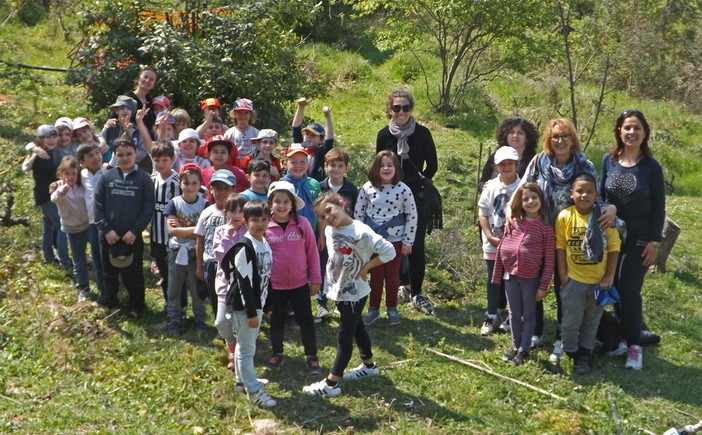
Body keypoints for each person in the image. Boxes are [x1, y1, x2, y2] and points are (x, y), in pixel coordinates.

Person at [517, 118, 616, 359]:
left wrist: (610, 209)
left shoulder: (584, 164)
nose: (560, 141)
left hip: (572, 236)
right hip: (539, 233)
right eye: (555, 136)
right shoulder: (539, 161)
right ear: (548, 140)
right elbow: (523, 191)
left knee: (565, 286)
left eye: (565, 136)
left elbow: (596, 197)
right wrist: (513, 216)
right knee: (534, 282)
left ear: (573, 139)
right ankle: (536, 331)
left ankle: (563, 336)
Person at [303, 192, 395, 398]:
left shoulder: (361, 231)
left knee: (344, 335)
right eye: (322, 216)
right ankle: (369, 366)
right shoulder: (329, 230)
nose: (327, 218)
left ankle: (331, 384)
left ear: (341, 204)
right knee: (357, 328)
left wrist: (366, 268)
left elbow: (389, 251)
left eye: (329, 211)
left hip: (354, 293)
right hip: (339, 290)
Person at [601, 109, 665, 371]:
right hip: (611, 237)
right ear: (619, 130)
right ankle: (625, 336)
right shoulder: (609, 160)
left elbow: (659, 207)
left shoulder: (651, 167)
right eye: (627, 127)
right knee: (613, 287)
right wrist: (610, 207)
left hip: (639, 240)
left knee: (628, 291)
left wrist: (655, 243)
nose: (631, 132)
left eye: (637, 128)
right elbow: (601, 195)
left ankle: (635, 347)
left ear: (644, 133)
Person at [376, 89, 437, 315]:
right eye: (397, 108)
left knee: (416, 243)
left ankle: (417, 291)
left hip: (415, 195)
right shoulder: (384, 135)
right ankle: (402, 284)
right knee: (396, 242)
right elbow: (380, 164)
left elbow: (432, 165)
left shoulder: (422, 133)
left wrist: (419, 184)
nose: (401, 112)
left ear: (411, 109)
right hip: (391, 197)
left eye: (406, 108)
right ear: (390, 110)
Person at [555, 173, 620, 374]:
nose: (584, 195)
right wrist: (563, 276)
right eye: (580, 191)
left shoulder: (603, 217)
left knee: (592, 322)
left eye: (589, 191)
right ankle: (571, 352)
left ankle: (584, 355)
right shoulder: (565, 216)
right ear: (571, 193)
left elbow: (614, 247)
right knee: (570, 323)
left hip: (598, 283)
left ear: (596, 194)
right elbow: (560, 247)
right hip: (573, 281)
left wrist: (609, 276)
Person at [220, 200, 276, 408]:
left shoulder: (264, 243)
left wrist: (267, 303)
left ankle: (240, 382)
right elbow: (244, 283)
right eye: (254, 220)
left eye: (263, 219)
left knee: (246, 347)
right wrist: (251, 312)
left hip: (257, 305)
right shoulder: (245, 247)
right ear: (244, 222)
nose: (259, 224)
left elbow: (266, 276)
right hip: (244, 307)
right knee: (245, 349)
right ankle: (254, 392)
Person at [493, 183, 555, 366]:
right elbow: (505, 243)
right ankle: (515, 345)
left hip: (531, 279)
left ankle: (524, 349)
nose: (530, 202)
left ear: (541, 200)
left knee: (528, 314)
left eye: (534, 198)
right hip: (511, 276)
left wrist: (544, 285)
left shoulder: (545, 228)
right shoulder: (514, 222)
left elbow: (550, 260)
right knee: (513, 313)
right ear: (520, 202)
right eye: (526, 199)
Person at [264, 181, 322, 374]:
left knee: (305, 320)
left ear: (292, 204)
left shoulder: (302, 224)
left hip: (299, 284)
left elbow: (312, 252)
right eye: (277, 201)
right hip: (275, 285)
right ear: (270, 203)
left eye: (285, 201)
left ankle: (312, 356)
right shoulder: (264, 225)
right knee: (277, 320)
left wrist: (315, 279)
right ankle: (277, 352)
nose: (281, 206)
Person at [94, 135, 154, 317]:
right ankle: (112, 304)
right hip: (108, 235)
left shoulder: (144, 179)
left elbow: (147, 207)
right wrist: (106, 230)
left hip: (132, 236)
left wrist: (135, 231)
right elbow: (97, 205)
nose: (125, 158)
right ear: (115, 155)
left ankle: (137, 307)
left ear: (136, 153)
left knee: (133, 274)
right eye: (120, 155)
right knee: (109, 272)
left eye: (129, 154)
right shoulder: (106, 177)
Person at [355, 150, 417, 326]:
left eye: (390, 165)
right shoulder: (367, 188)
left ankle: (392, 308)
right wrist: (360, 238)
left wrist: (408, 241)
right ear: (376, 168)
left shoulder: (404, 190)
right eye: (382, 165)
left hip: (395, 241)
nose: (386, 168)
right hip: (373, 241)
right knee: (375, 274)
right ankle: (373, 309)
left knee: (392, 275)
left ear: (396, 168)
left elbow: (412, 215)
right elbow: (358, 213)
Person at [477, 146, 521, 335]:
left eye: (510, 163)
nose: (506, 167)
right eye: (502, 164)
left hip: (516, 244)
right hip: (493, 240)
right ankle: (492, 314)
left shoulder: (522, 186)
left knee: (513, 278)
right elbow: (483, 213)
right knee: (493, 278)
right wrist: (488, 235)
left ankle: (514, 317)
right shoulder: (491, 186)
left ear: (516, 165)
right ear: (496, 166)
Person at [164, 163, 209, 335]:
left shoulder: (205, 205)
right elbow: (172, 231)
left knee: (196, 288)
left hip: (196, 252)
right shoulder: (174, 203)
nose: (190, 187)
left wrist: (185, 231)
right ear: (180, 184)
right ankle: (174, 319)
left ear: (200, 185)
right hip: (176, 251)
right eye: (186, 183)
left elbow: (203, 234)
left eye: (194, 183)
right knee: (174, 288)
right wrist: (196, 230)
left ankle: (200, 320)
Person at [316, 148, 359, 319]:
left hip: (345, 235)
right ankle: (321, 302)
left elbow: (355, 215)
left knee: (342, 266)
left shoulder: (352, 189)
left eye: (340, 166)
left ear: (346, 168)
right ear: (326, 166)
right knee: (323, 265)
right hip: (325, 233)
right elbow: (319, 215)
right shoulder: (320, 187)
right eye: (332, 165)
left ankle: (339, 301)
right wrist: (320, 236)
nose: (336, 169)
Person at [25, 125, 71, 267]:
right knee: (62, 225)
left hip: (44, 195)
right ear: (40, 139)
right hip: (45, 196)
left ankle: (48, 257)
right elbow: (54, 173)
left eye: (53, 137)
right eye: (47, 137)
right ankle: (64, 259)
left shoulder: (51, 153)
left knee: (48, 225)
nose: (51, 140)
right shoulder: (41, 155)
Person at [212, 193, 249, 371]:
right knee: (221, 322)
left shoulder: (250, 231)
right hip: (225, 284)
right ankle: (231, 342)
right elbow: (220, 256)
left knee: (242, 320)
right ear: (226, 212)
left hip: (245, 285)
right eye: (233, 211)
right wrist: (228, 235)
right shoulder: (220, 232)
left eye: (241, 211)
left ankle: (241, 350)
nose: (237, 216)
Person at [195, 169, 237, 316]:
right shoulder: (207, 212)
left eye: (226, 188)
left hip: (230, 263)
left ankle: (233, 325)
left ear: (234, 190)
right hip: (210, 262)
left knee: (231, 297)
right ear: (211, 190)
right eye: (218, 188)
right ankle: (221, 326)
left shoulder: (237, 214)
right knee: (214, 296)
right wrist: (199, 266)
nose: (222, 192)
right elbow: (200, 241)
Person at [51, 156, 91, 302]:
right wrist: (62, 190)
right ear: (61, 174)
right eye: (67, 173)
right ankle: (83, 288)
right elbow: (54, 198)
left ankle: (106, 284)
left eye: (73, 173)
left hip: (88, 226)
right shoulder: (60, 188)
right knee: (79, 261)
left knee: (99, 256)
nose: (70, 177)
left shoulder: (82, 185)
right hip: (72, 229)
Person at [150, 140, 181, 307]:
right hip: (156, 236)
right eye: (157, 160)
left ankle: (180, 306)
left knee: (176, 274)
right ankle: (169, 304)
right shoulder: (151, 180)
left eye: (165, 160)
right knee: (163, 272)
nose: (160, 164)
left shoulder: (178, 182)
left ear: (172, 159)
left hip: (174, 239)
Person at [77, 143, 106, 299]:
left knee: (111, 258)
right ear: (82, 162)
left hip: (108, 222)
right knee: (97, 258)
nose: (96, 158)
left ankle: (113, 289)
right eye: (90, 156)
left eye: (97, 153)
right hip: (92, 222)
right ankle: (103, 291)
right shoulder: (81, 176)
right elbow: (66, 181)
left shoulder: (108, 172)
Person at [478, 118, 539, 192]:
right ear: (505, 135)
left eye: (520, 133)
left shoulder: (535, 161)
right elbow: (481, 182)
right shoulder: (496, 156)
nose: (515, 135)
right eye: (511, 132)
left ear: (527, 137)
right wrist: (484, 187)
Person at [280, 143, 321, 231]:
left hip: (312, 232)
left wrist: (321, 235)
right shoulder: (281, 185)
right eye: (293, 162)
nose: (298, 165)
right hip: (289, 233)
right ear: (285, 164)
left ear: (308, 163)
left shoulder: (314, 184)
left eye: (302, 161)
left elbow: (320, 211)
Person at [291, 98, 334, 182]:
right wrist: (300, 107)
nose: (308, 137)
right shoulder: (299, 147)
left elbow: (329, 140)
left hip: (315, 186)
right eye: (307, 134)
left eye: (313, 136)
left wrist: (327, 116)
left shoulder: (320, 153)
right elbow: (295, 128)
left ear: (321, 140)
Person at [124, 66, 158, 132]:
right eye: (145, 77)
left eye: (151, 79)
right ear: (138, 79)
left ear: (153, 85)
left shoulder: (152, 103)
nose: (147, 80)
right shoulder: (127, 98)